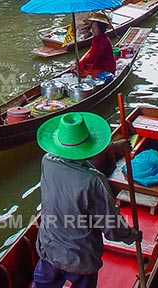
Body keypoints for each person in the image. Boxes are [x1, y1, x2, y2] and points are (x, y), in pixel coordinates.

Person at [34, 112, 140, 288]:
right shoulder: (93, 180)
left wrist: (113, 147)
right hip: (80, 257)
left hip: (49, 247)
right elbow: (111, 225)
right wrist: (131, 235)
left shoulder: (47, 161)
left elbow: (72, 156)